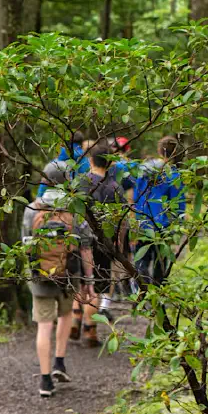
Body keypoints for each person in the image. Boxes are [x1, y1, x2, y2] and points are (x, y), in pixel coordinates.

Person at [23, 161, 95, 398]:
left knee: (44, 326)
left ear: (45, 180)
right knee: (65, 316)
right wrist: (89, 282)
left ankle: (45, 381)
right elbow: (85, 247)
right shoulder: (74, 209)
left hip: (40, 276)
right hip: (69, 274)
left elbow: (25, 244)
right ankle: (60, 363)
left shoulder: (32, 209)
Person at [79, 141, 128, 348]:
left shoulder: (81, 182)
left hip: (80, 241)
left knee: (81, 282)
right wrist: (119, 244)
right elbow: (123, 220)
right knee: (97, 286)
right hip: (102, 244)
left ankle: (76, 319)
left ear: (90, 160)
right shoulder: (115, 187)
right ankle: (89, 328)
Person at [133, 135, 186, 285]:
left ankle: (141, 294)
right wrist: (178, 227)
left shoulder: (143, 171)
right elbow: (178, 205)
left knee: (141, 260)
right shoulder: (174, 176)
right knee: (160, 265)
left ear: (159, 150)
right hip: (164, 227)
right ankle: (157, 298)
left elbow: (137, 196)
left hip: (143, 223)